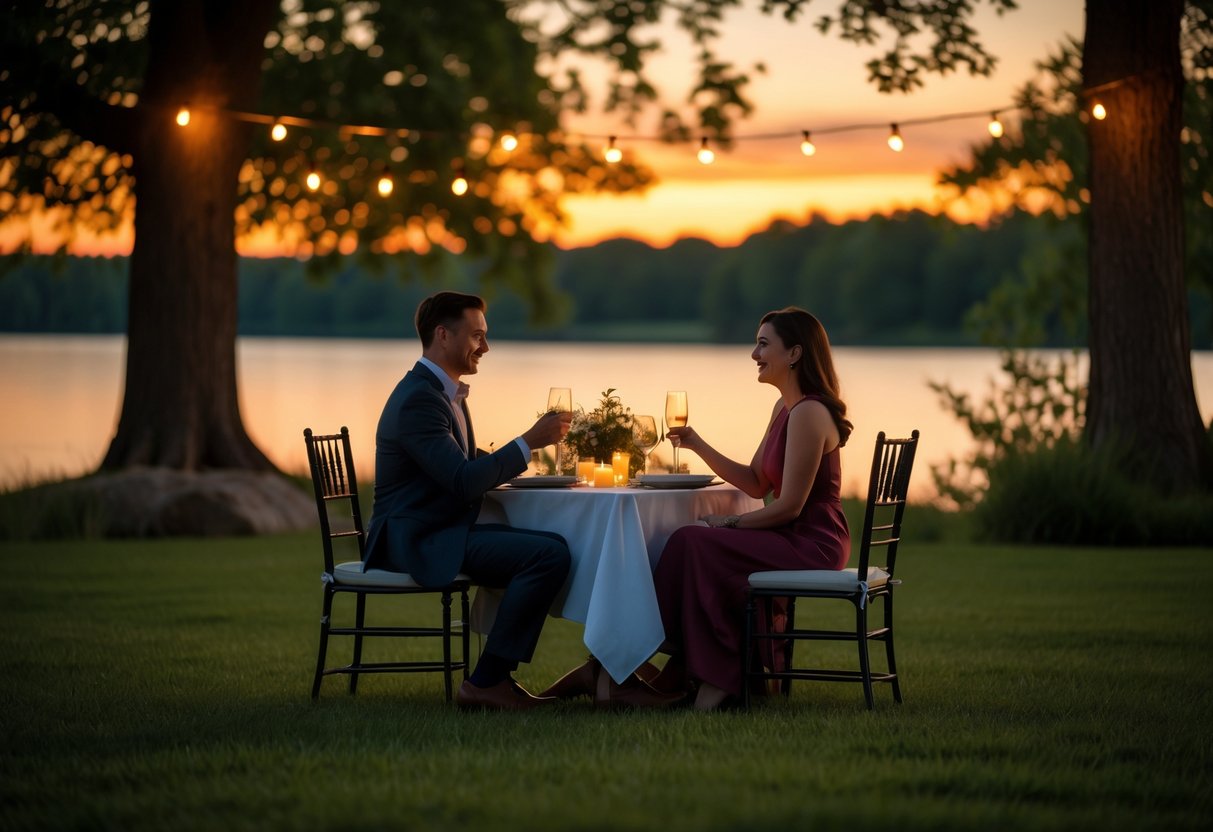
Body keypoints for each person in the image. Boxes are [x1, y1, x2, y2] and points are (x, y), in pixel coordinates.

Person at [363, 291, 573, 711]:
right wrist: (527, 443)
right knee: (546, 555)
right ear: (443, 335)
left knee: (549, 545)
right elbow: (461, 482)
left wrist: (520, 460)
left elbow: (455, 466)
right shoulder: (420, 399)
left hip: (442, 528)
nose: (486, 347)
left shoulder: (441, 392)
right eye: (477, 336)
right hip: (419, 538)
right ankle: (486, 682)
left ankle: (495, 677)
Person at [651, 307, 853, 711]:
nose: (753, 354)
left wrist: (728, 522)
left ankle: (706, 671)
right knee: (700, 549)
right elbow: (757, 482)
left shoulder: (810, 413)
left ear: (794, 353)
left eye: (763, 344)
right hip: (792, 535)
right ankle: (707, 668)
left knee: (693, 541)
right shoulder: (785, 409)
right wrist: (697, 443)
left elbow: (790, 507)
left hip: (813, 543)